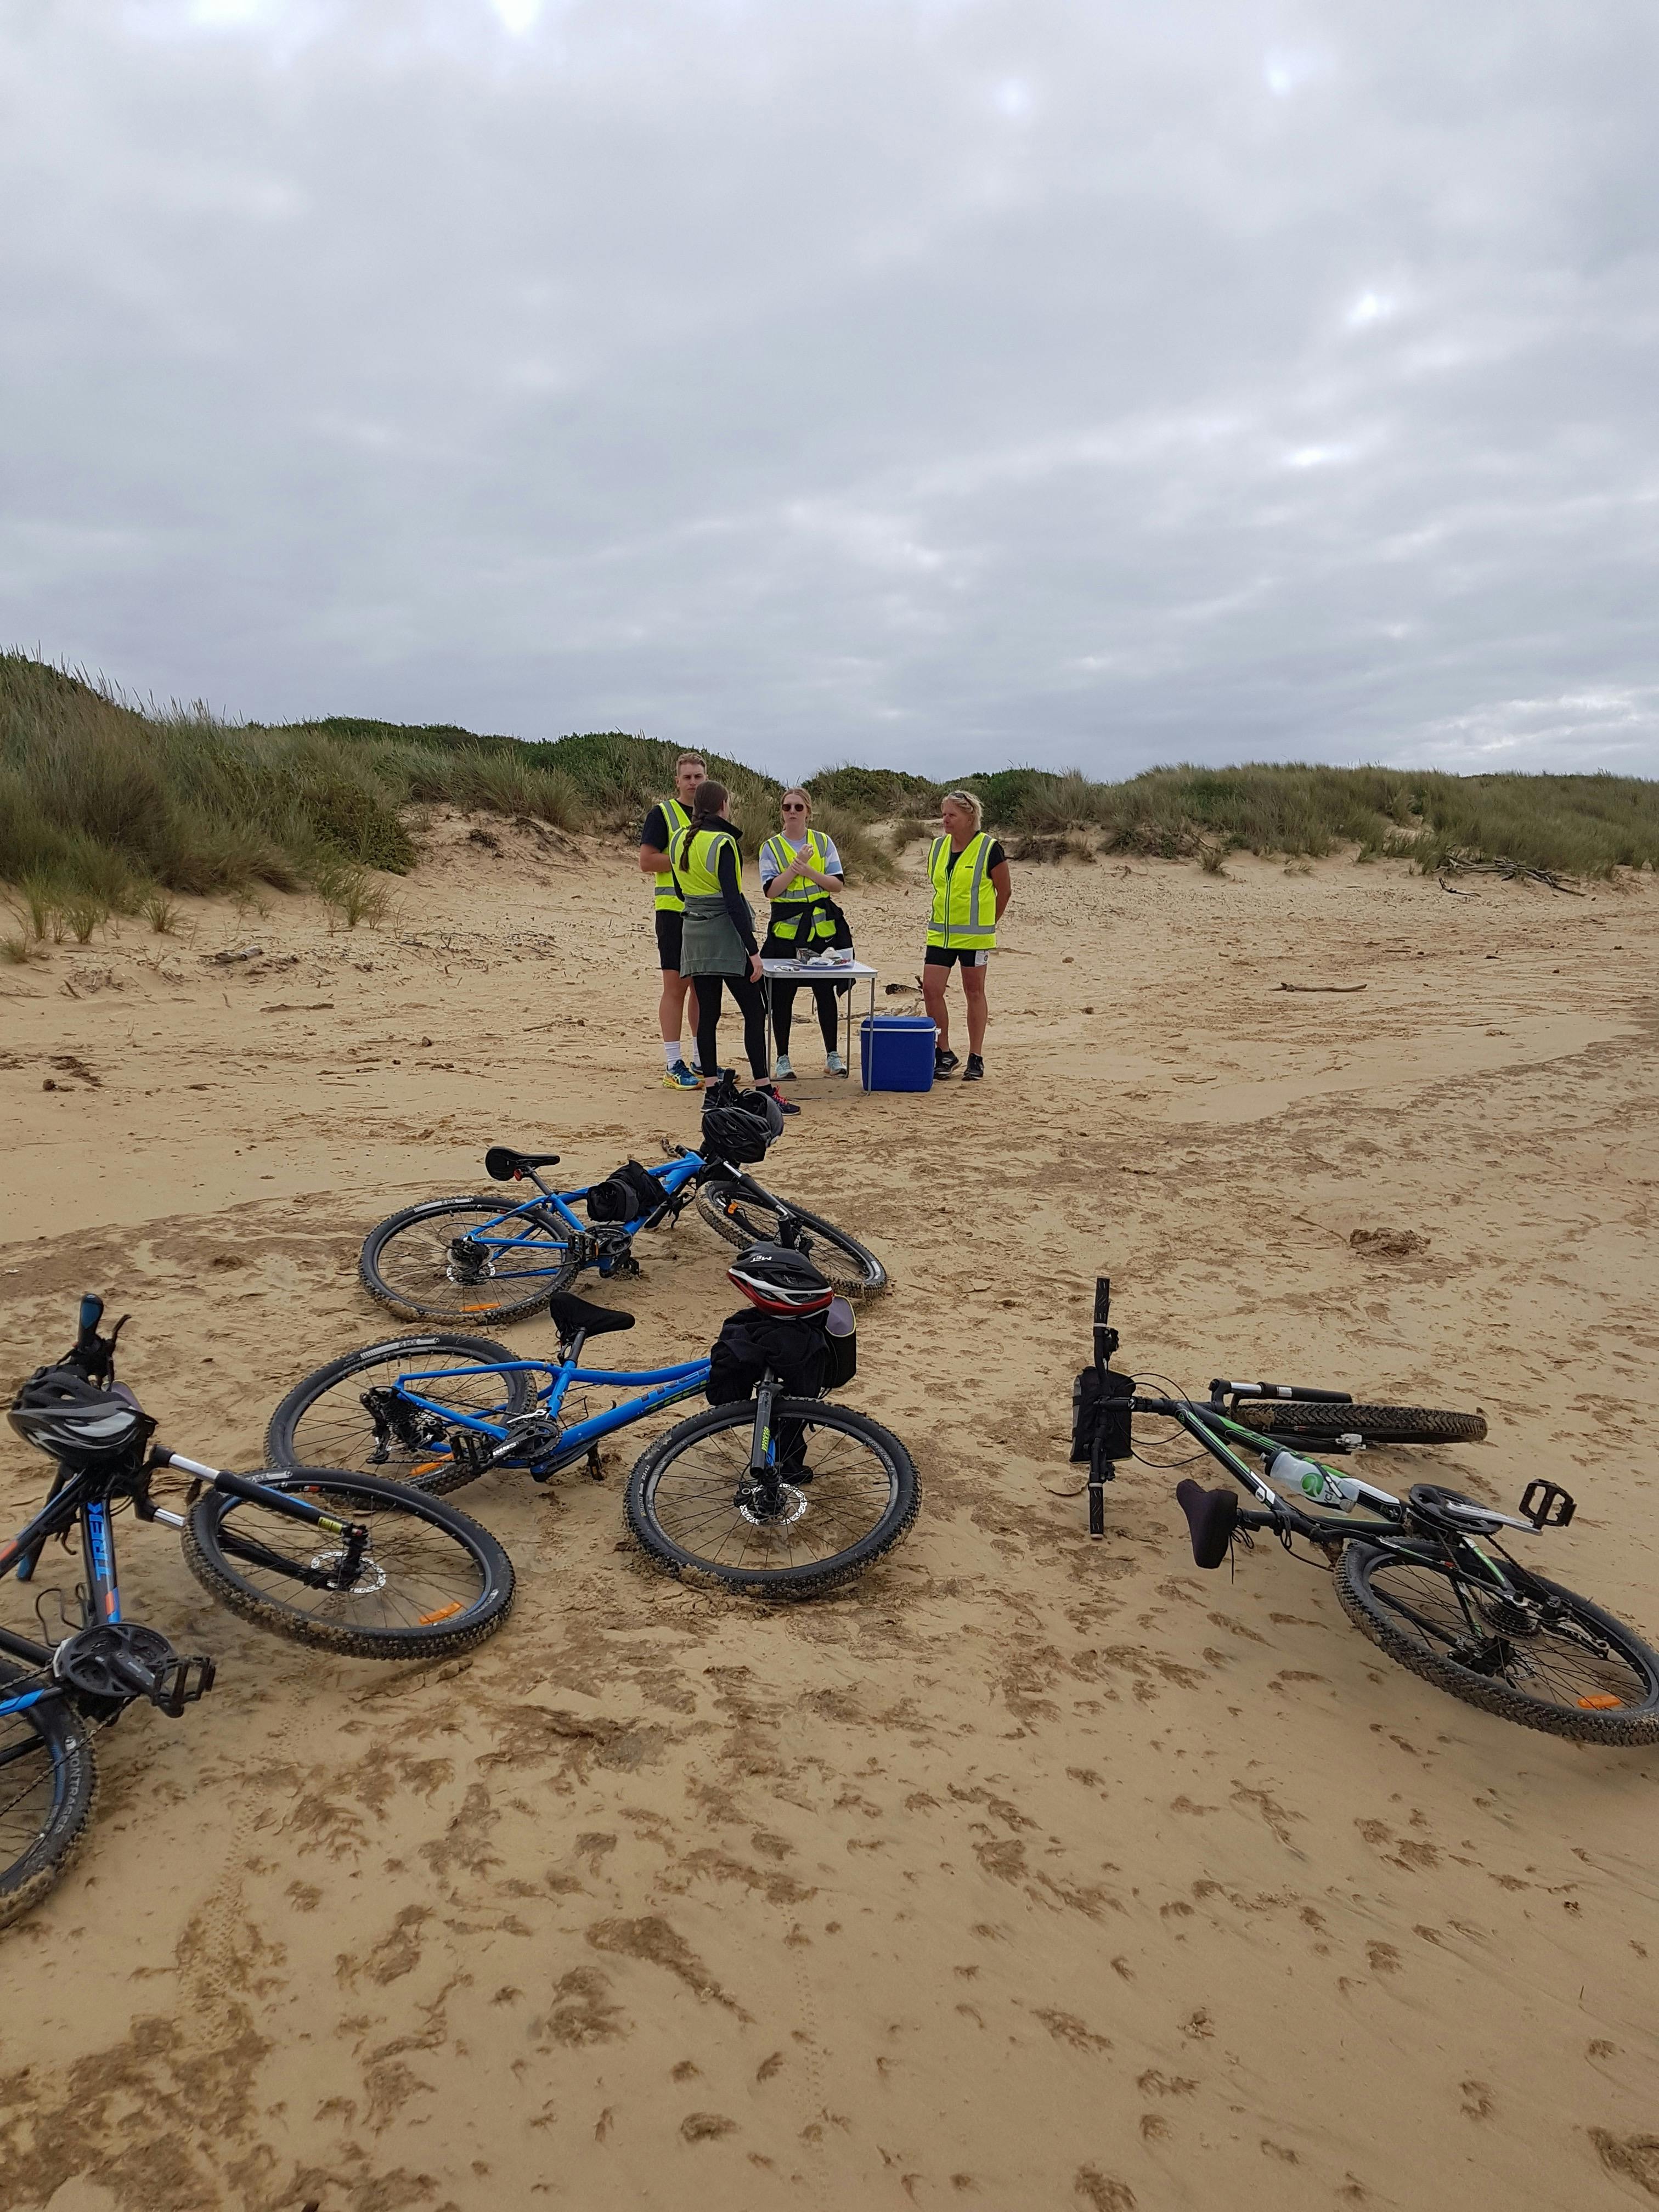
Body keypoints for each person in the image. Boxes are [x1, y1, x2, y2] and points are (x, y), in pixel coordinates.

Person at [670, 782, 797, 1111]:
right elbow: (733, 901)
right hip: (726, 937)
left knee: (708, 1015)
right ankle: (764, 1091)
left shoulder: (679, 840)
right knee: (755, 1012)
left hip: (694, 935)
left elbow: (681, 893)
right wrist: (753, 951)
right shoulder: (723, 842)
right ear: (724, 805)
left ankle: (712, 1092)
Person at [759, 788, 853, 1079]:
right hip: (786, 935)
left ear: (808, 811)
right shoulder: (771, 847)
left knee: (825, 993)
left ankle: (833, 1056)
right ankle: (783, 1058)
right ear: (781, 811)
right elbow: (771, 891)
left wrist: (808, 871)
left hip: (821, 934)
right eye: (787, 807)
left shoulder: (823, 843)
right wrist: (793, 869)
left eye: (798, 807)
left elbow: (836, 885)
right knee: (783, 997)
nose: (792, 812)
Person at [921, 790, 1012, 1084]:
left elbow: (1004, 891)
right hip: (940, 934)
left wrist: (988, 924)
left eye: (952, 815)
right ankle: (944, 1052)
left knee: (974, 993)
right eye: (944, 814)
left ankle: (976, 1056)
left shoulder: (989, 849)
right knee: (932, 989)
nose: (945, 820)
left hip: (974, 938)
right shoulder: (937, 848)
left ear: (969, 817)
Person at [639, 752, 707, 1089]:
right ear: (678, 780)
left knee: (703, 989)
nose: (693, 782)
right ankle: (672, 1063)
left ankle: (700, 1059)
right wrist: (684, 856)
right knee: (675, 987)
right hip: (673, 912)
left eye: (698, 777)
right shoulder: (662, 814)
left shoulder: (712, 815)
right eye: (688, 777)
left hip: (706, 913)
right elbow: (647, 861)